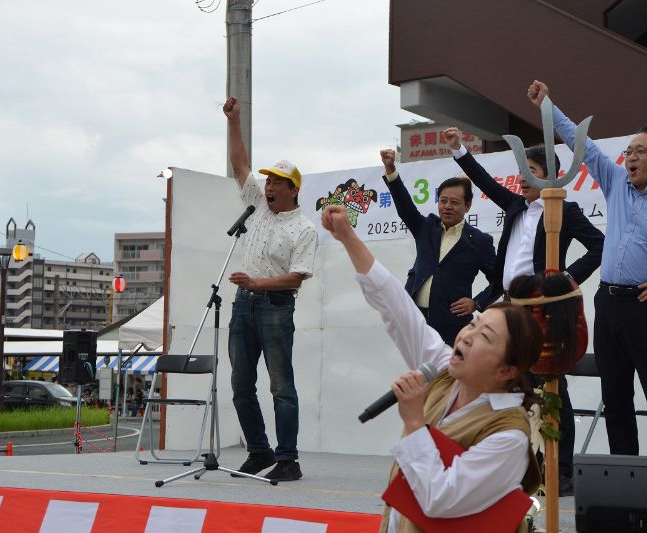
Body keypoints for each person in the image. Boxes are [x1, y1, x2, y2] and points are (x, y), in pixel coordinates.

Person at [528, 80, 647, 468]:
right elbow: (581, 143)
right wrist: (546, 106)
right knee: (615, 399)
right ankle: (625, 487)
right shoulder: (616, 182)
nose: (630, 157)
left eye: (639, 151)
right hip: (608, 303)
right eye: (628, 150)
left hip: (645, 308)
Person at [322, 204, 541, 532]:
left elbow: (440, 499)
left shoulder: (508, 436)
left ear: (507, 371)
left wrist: (414, 423)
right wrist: (348, 237)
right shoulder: (444, 371)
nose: (467, 336)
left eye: (485, 336)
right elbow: (396, 306)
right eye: (474, 324)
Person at [444, 127, 604, 496]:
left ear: (548, 175)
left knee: (551, 386)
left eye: (530, 169)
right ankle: (519, 462)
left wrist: (564, 280)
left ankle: (562, 471)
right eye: (521, 170)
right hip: (509, 307)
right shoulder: (515, 204)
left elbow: (600, 246)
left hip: (543, 308)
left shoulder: (565, 210)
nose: (521, 178)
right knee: (511, 382)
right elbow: (483, 180)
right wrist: (459, 151)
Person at [223, 96, 318, 481]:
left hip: (276, 306)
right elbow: (239, 164)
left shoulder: (305, 228)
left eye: (278, 181)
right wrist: (233, 121)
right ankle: (259, 451)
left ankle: (289, 458)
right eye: (269, 180)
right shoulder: (258, 207)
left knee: (281, 385)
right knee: (240, 383)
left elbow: (297, 277)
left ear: (293, 189)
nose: (269, 186)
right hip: (243, 304)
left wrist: (258, 283)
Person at [379, 148, 496, 345]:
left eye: (454, 202)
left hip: (452, 326)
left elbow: (499, 279)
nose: (447, 206)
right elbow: (404, 204)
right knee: (419, 373)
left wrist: (477, 302)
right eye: (443, 201)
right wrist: (390, 170)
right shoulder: (426, 227)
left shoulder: (479, 241)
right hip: (415, 320)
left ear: (467, 206)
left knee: (448, 375)